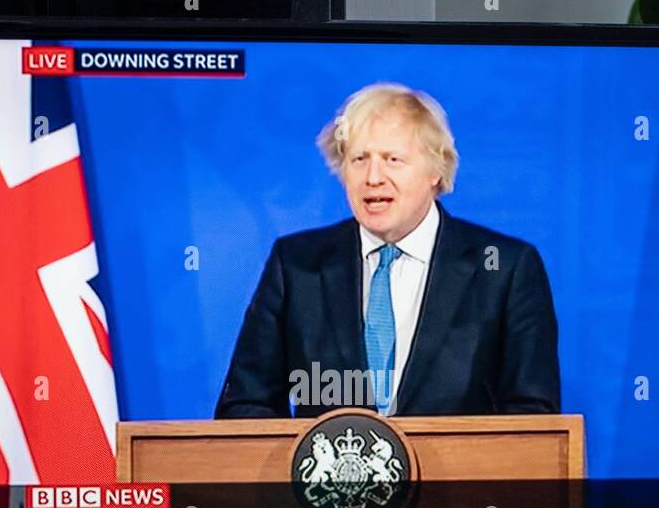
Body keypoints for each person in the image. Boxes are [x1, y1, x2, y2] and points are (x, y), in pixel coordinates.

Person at [216, 83, 560, 418]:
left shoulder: (506, 269)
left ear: (435, 172)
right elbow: (245, 406)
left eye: (392, 159)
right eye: (359, 159)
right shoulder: (296, 264)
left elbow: (532, 417)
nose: (373, 177)